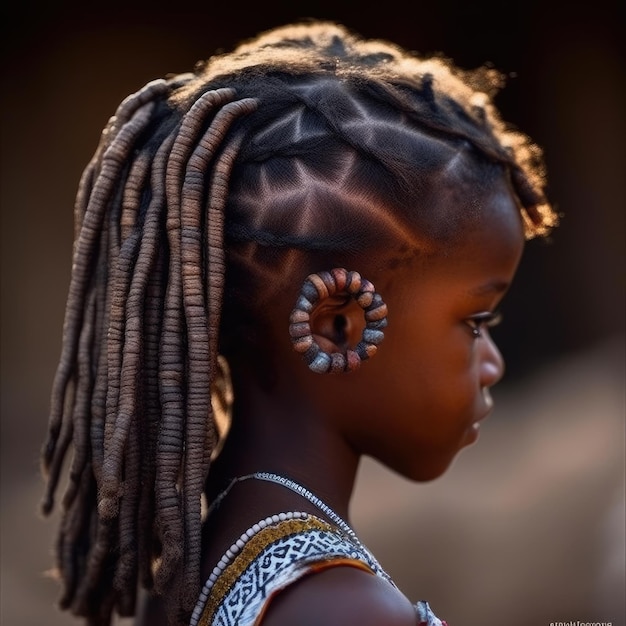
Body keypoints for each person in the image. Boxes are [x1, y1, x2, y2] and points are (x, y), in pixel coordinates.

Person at [40, 20, 558, 626]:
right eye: (474, 321)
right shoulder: (341, 609)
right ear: (338, 326)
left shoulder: (208, 555)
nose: (491, 362)